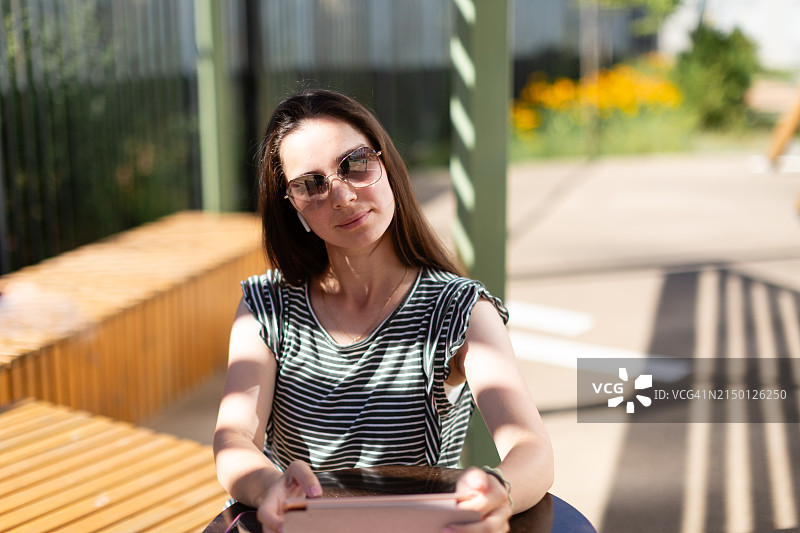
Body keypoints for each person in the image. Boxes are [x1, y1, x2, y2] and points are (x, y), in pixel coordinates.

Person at [213, 89, 554, 533]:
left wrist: (498, 489)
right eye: (310, 184)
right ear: (293, 206)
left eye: (355, 164)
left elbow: (533, 450)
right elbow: (234, 437)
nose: (340, 196)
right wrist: (269, 488)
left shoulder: (459, 310)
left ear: (386, 163)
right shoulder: (266, 305)